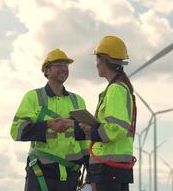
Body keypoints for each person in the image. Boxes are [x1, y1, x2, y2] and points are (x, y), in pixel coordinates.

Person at [11, 48, 89, 191]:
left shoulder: (78, 100)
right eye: (59, 64)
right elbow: (16, 131)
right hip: (40, 173)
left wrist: (91, 175)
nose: (64, 68)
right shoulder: (33, 97)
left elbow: (86, 140)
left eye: (66, 65)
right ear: (46, 70)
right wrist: (47, 125)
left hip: (71, 175)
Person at [80, 35, 137, 191]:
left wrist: (90, 130)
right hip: (112, 168)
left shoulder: (116, 90)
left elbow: (115, 128)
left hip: (107, 167)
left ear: (104, 60)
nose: (96, 64)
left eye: (97, 59)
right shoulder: (119, 88)